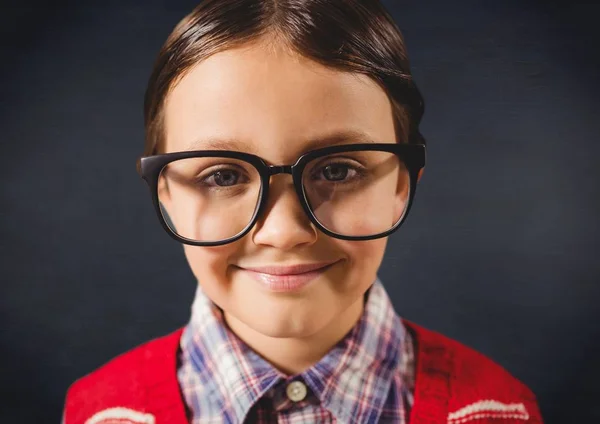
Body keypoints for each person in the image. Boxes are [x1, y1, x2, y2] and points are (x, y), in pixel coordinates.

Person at [63, 0, 543, 423]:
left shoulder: (498, 411)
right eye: (223, 176)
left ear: (400, 184)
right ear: (165, 193)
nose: (285, 231)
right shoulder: (102, 414)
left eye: (337, 171)